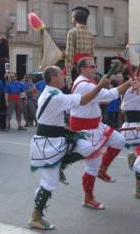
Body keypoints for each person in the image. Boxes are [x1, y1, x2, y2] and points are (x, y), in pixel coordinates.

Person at [28, 65, 110, 230]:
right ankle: (35, 217)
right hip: (47, 143)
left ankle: (61, 165)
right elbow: (84, 100)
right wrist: (100, 85)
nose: (64, 77)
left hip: (56, 138)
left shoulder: (53, 93)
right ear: (53, 78)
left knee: (87, 147)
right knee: (49, 183)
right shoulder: (55, 96)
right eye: (61, 74)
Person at [69, 57, 136, 209]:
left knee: (119, 140)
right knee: (91, 165)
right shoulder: (84, 85)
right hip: (84, 130)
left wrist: (104, 85)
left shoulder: (88, 82)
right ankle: (88, 198)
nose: (94, 68)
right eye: (92, 66)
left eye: (94, 65)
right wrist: (129, 83)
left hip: (96, 125)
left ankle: (102, 169)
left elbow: (104, 97)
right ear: (82, 69)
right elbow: (108, 96)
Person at [65, 6, 94, 88]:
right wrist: (92, 68)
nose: (71, 20)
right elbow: (92, 54)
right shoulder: (90, 34)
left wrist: (68, 73)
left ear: (75, 18)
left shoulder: (72, 32)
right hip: (87, 66)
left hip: (76, 67)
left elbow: (69, 54)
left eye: (72, 17)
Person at [121, 83, 140, 198]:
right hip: (135, 127)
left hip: (129, 127)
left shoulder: (129, 90)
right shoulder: (131, 90)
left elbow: (122, 109)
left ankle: (138, 190)